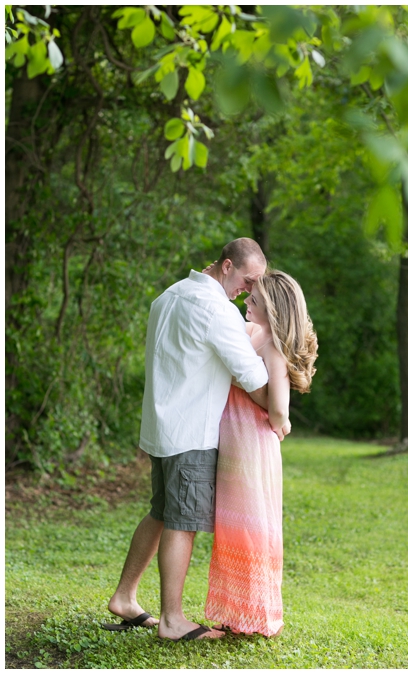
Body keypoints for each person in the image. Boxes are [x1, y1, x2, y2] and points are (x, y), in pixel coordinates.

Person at [104, 238, 289, 641]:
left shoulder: (169, 295)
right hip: (191, 432)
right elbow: (254, 381)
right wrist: (277, 412)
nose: (250, 289)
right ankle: (172, 620)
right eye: (247, 279)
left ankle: (124, 596)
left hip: (160, 427)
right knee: (182, 523)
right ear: (226, 266)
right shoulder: (216, 310)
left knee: (159, 513)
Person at [205, 270, 318, 637]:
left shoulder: (272, 347)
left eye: (254, 301)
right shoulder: (251, 333)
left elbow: (280, 409)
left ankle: (254, 615)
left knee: (252, 528)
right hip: (235, 439)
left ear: (274, 309)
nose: (246, 302)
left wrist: (281, 422)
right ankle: (235, 611)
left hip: (253, 442)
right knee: (232, 526)